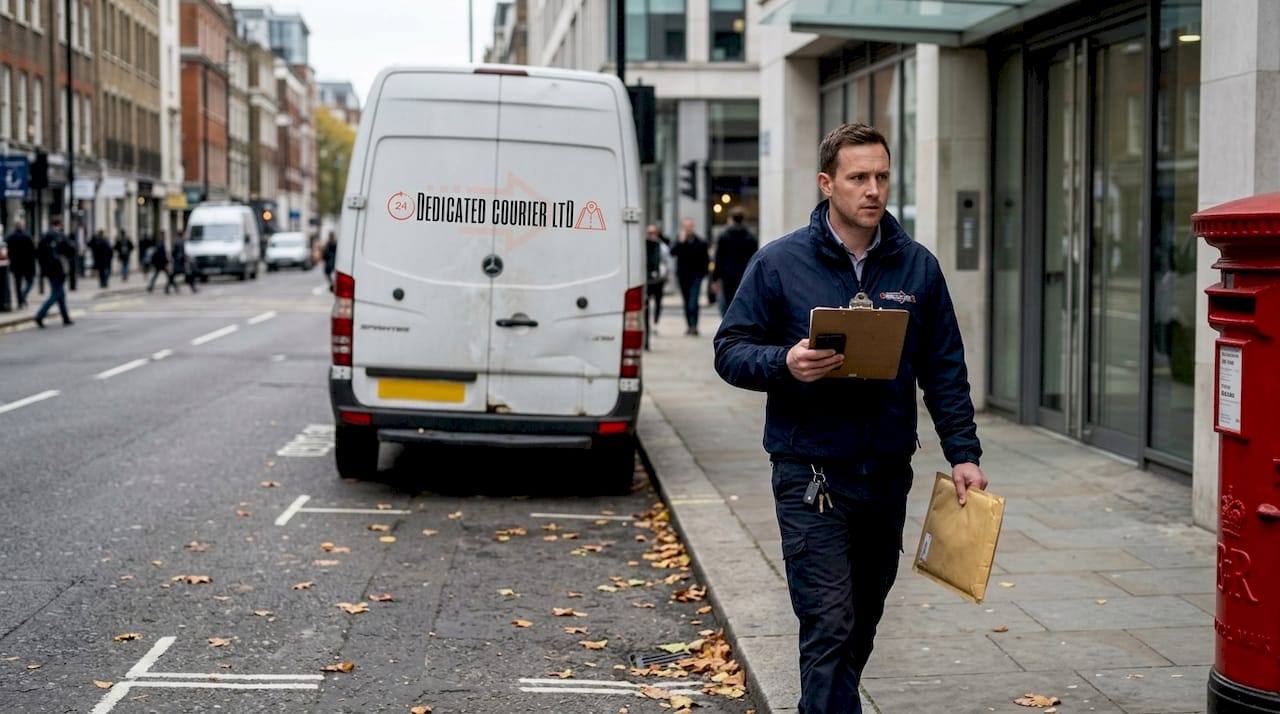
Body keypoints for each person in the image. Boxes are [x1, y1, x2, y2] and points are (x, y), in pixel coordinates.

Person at [711, 122, 986, 714]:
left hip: (886, 472)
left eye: (882, 176)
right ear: (826, 183)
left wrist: (964, 454)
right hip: (810, 473)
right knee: (829, 622)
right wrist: (785, 362)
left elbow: (944, 368)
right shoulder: (779, 263)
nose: (873, 190)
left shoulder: (917, 267)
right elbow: (729, 350)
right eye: (859, 177)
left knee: (861, 618)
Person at [711, 208, 758, 317]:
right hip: (745, 273)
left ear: (731, 219)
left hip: (727, 274)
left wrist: (715, 278)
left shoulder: (724, 236)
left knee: (728, 301)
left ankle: (729, 320)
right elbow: (754, 258)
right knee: (742, 301)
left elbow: (719, 258)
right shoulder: (750, 237)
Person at [668, 217, 709, 336]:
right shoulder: (679, 241)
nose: (688, 229)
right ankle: (689, 325)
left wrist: (703, 273)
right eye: (686, 227)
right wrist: (681, 242)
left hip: (696, 276)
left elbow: (705, 259)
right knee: (686, 301)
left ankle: (694, 325)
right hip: (683, 275)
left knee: (693, 301)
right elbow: (672, 252)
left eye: (690, 226)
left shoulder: (700, 242)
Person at [34, 218, 73, 327]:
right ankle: (40, 315)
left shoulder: (45, 236)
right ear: (60, 224)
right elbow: (70, 250)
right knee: (56, 294)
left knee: (60, 294)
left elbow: (39, 253)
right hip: (58, 269)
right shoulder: (60, 236)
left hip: (49, 270)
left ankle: (65, 317)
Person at [643, 224, 670, 349]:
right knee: (646, 306)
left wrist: (666, 274)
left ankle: (656, 321)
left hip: (658, 279)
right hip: (646, 280)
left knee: (658, 301)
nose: (652, 235)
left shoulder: (661, 246)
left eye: (654, 232)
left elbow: (666, 261)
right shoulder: (643, 245)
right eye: (650, 232)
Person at [5, 219, 37, 308]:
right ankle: (22, 296)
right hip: (27, 264)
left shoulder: (10, 237)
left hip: (15, 264)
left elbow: (7, 250)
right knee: (30, 282)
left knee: (17, 284)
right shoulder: (27, 236)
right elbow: (32, 252)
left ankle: (20, 301)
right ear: (22, 226)